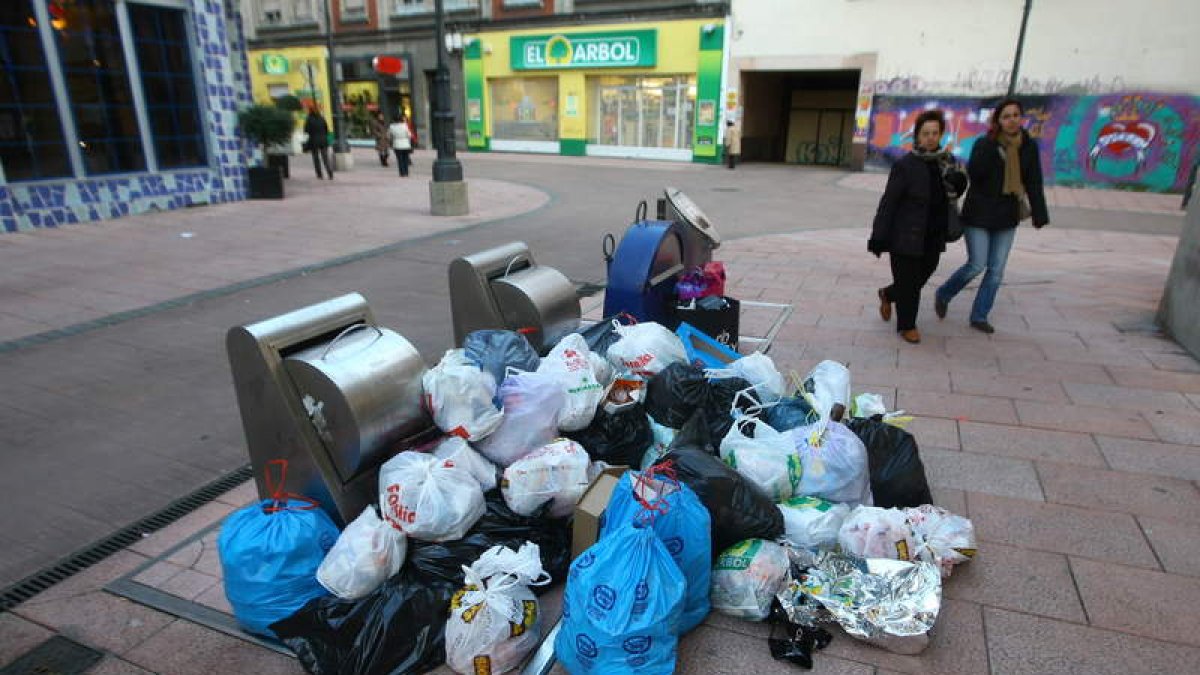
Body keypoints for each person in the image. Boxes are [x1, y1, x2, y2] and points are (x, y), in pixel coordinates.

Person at [934, 98, 1049, 334]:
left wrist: (1039, 213)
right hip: (979, 214)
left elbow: (1034, 181)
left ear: (1021, 117)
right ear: (997, 120)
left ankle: (979, 315)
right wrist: (992, 148)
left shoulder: (1028, 146)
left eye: (1016, 115)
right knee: (977, 264)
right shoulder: (984, 143)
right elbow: (976, 174)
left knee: (996, 270)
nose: (1012, 120)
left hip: (1007, 215)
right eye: (1006, 116)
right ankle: (944, 293)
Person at [869, 109, 967, 344]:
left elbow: (957, 189)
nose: (931, 138)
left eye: (935, 133)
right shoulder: (906, 165)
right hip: (906, 235)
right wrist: (879, 236)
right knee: (910, 285)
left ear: (941, 134)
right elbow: (889, 201)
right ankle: (907, 326)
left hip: (934, 234)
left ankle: (888, 293)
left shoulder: (948, 163)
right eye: (926, 133)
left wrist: (959, 182)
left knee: (920, 277)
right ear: (917, 136)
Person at [303, 107, 334, 180]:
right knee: (325, 158)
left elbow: (306, 130)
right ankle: (330, 173)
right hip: (324, 141)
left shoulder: (309, 119)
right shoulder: (322, 118)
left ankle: (319, 174)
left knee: (316, 158)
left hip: (314, 141)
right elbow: (326, 129)